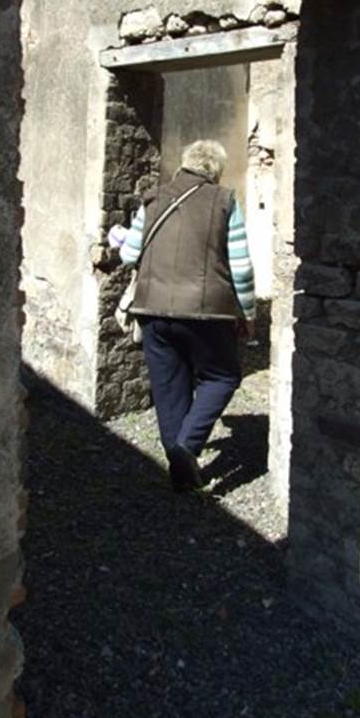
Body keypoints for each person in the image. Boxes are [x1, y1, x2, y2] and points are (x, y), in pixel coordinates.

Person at [119, 139, 256, 491]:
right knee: (221, 376)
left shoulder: (152, 198)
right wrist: (249, 312)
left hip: (151, 308)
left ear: (185, 164)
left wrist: (120, 237)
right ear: (216, 171)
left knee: (168, 385)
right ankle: (186, 447)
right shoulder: (224, 200)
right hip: (206, 312)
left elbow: (130, 254)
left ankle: (177, 460)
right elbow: (240, 267)